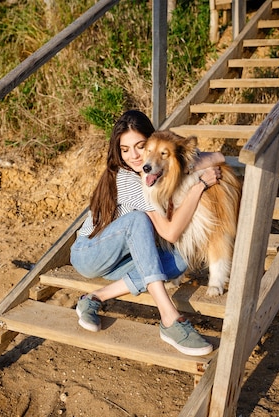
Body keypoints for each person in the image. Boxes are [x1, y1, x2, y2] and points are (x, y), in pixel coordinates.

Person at [70, 110, 226, 357]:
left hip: (120, 260)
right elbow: (171, 232)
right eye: (124, 149)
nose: (133, 156)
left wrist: (191, 161)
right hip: (89, 253)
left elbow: (217, 156)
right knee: (138, 220)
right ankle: (169, 319)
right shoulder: (130, 180)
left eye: (140, 146)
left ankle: (94, 298)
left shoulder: (152, 171)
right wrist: (200, 186)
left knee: (179, 260)